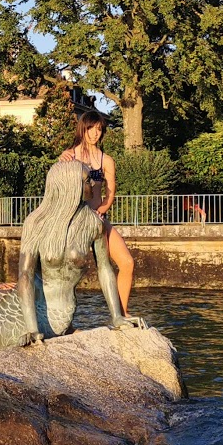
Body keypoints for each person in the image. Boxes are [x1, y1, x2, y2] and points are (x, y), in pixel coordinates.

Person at [61, 110, 135, 313]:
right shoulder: (69, 156)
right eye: (91, 128)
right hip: (74, 221)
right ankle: (60, 317)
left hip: (98, 218)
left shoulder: (106, 160)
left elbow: (110, 193)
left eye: (99, 129)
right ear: (83, 129)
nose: (95, 133)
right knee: (66, 271)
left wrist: (101, 210)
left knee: (127, 262)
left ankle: (122, 313)